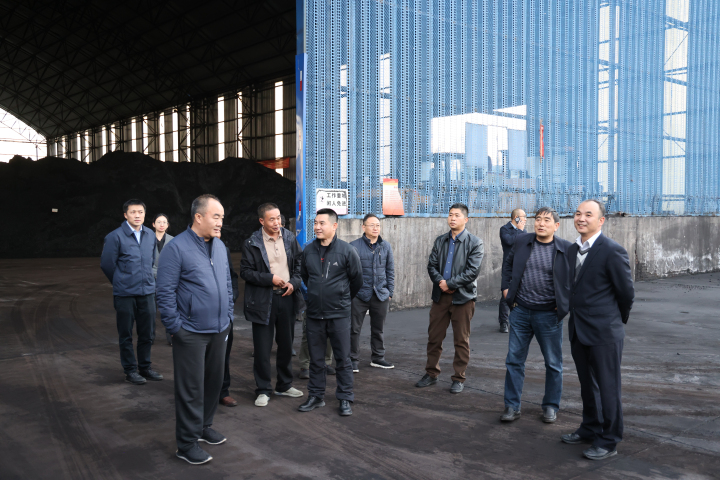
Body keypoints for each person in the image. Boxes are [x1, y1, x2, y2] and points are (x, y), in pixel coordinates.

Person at [156, 194, 234, 465]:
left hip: (219, 328)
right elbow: (165, 292)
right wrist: (175, 327)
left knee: (213, 382)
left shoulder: (220, 246)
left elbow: (227, 283)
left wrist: (228, 316)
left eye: (222, 217)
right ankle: (186, 443)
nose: (220, 222)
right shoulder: (176, 248)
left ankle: (203, 427)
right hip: (190, 331)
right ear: (198, 217)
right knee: (191, 388)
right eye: (216, 216)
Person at [561, 199, 634, 461]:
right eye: (577, 214)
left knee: (608, 387)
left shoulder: (612, 250)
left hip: (605, 332)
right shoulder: (572, 250)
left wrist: (614, 320)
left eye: (588, 215)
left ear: (601, 220)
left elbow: (626, 293)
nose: (581, 218)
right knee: (587, 385)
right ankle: (590, 427)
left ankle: (609, 440)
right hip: (579, 330)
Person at [499, 207, 572, 424]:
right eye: (538, 219)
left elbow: (575, 280)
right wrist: (506, 290)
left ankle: (550, 406)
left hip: (549, 314)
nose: (541, 223)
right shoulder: (522, 241)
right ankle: (512, 406)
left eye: (546, 220)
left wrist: (564, 305)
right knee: (514, 361)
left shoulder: (566, 249)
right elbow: (508, 265)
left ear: (556, 226)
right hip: (520, 311)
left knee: (553, 363)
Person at [298, 208, 362, 416]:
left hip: (339, 314)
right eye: (315, 223)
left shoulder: (346, 250)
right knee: (316, 359)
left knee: (343, 359)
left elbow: (357, 280)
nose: (317, 227)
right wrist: (315, 296)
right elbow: (305, 277)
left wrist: (341, 298)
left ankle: (345, 398)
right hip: (315, 314)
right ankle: (316, 396)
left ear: (334, 226)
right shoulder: (308, 250)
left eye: (321, 223)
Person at [416, 203, 484, 394]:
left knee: (461, 340)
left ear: (466, 219)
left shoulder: (475, 243)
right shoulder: (440, 241)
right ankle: (431, 373)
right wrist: (441, 283)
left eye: (457, 215)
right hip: (440, 297)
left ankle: (459, 377)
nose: (452, 218)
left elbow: (472, 271)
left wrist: (451, 284)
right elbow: (431, 265)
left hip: (463, 298)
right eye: (450, 214)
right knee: (434, 337)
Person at [240, 203, 304, 408]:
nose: (277, 222)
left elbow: (300, 265)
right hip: (262, 300)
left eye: (278, 218)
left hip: (287, 297)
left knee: (286, 345)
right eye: (272, 219)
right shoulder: (252, 243)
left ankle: (284, 385)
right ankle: (263, 389)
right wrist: (270, 279)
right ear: (262, 221)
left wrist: (294, 283)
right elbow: (246, 272)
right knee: (262, 349)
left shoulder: (290, 238)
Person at [100, 199, 163, 385]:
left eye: (140, 212)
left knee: (147, 333)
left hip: (147, 292)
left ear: (144, 214)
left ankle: (145, 367)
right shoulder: (115, 236)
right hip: (125, 294)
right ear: (125, 215)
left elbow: (151, 260)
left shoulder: (150, 235)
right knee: (126, 334)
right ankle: (130, 371)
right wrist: (121, 282)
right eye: (133, 212)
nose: (137, 215)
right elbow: (107, 265)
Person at [349, 213, 395, 372]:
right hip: (359, 295)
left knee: (378, 329)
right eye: (372, 225)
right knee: (353, 329)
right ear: (363, 227)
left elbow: (390, 270)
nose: (376, 228)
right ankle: (352, 360)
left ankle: (378, 358)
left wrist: (390, 292)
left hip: (380, 294)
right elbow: (349, 272)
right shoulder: (353, 246)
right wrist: (351, 293)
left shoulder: (386, 246)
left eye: (378, 225)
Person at [498, 208, 526, 332]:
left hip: (520, 265)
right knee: (506, 295)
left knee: (520, 293)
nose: (525, 219)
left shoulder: (523, 230)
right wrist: (519, 231)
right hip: (508, 266)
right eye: (524, 216)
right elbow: (509, 241)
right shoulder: (504, 229)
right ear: (516, 218)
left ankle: (517, 320)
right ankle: (503, 322)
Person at [218, 244, 239, 407]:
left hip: (224, 313)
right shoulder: (183, 247)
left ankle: (223, 391)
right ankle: (199, 393)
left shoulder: (223, 249)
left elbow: (232, 277)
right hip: (198, 316)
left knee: (223, 355)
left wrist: (231, 299)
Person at [151, 213, 174, 346]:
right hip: (150, 279)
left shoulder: (173, 240)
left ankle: (171, 338)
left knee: (168, 309)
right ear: (153, 224)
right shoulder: (147, 239)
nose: (161, 224)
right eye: (159, 222)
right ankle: (149, 337)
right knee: (150, 310)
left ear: (167, 225)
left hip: (167, 279)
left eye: (164, 222)